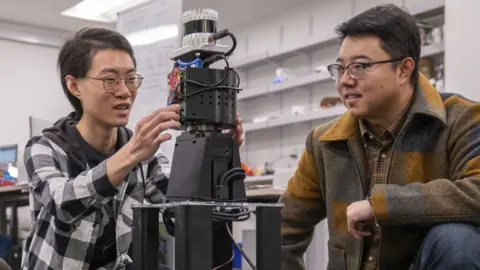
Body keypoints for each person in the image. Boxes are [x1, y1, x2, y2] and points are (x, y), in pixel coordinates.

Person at [21, 27, 244, 270]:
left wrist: (218, 155)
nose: (125, 92)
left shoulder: (144, 154)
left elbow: (183, 208)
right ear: (75, 86)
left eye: (130, 79)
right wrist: (131, 154)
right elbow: (62, 204)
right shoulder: (45, 148)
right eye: (110, 80)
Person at [280, 4, 480, 270]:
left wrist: (382, 206)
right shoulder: (324, 142)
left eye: (360, 66)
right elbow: (283, 228)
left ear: (404, 70)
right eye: (340, 68)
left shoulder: (461, 119)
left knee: (457, 240)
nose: (345, 81)